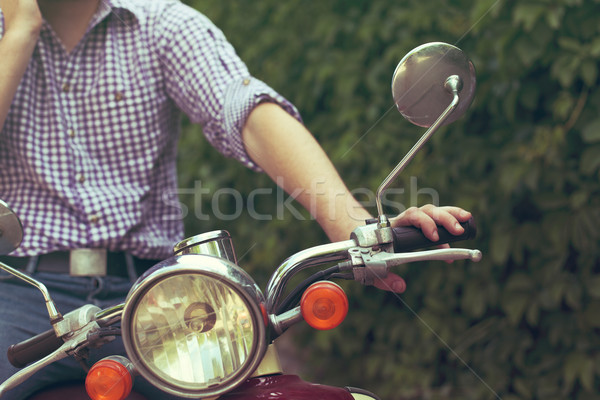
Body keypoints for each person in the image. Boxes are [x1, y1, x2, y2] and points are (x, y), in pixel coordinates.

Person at [0, 0, 472, 398]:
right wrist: (20, 32)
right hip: (20, 292)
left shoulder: (159, 22)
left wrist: (354, 228)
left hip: (157, 298)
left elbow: (244, 109)